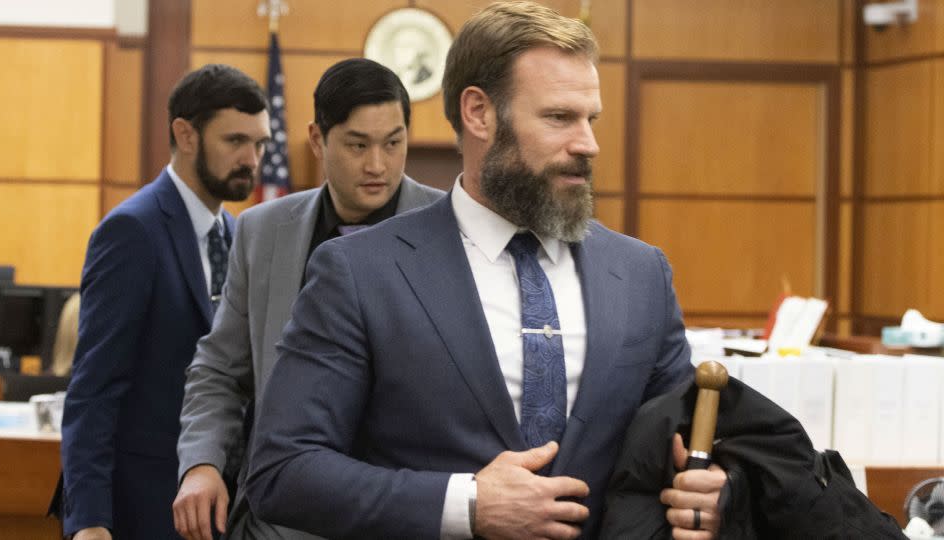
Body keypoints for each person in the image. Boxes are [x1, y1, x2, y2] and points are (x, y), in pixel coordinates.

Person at [246, 2, 726, 539]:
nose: (587, 144)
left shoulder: (640, 275)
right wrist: (468, 504)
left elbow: (684, 449)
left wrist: (712, 487)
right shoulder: (359, 273)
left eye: (590, 119)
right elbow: (283, 472)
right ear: (478, 113)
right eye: (558, 117)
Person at [174, 58, 443, 540]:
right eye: (358, 145)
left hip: (406, 517)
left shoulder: (452, 231)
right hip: (277, 521)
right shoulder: (260, 231)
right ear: (318, 140)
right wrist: (201, 463)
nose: (377, 165)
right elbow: (218, 369)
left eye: (393, 143)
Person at [61, 64, 270, 540]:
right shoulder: (133, 231)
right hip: (139, 511)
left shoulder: (239, 235)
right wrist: (90, 521)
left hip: (223, 509)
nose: (251, 159)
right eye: (235, 141)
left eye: (259, 144)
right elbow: (93, 389)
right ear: (186, 134)